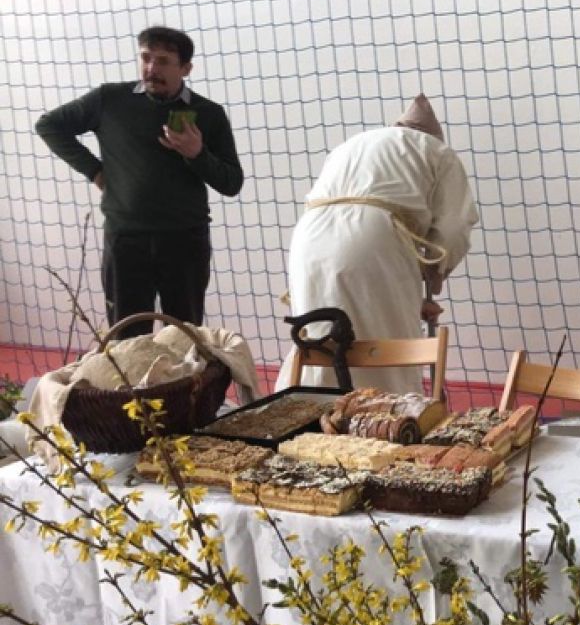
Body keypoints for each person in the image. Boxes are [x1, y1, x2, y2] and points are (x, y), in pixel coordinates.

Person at [35, 26, 244, 339]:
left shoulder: (208, 113)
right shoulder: (109, 100)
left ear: (186, 68)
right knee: (126, 341)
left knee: (184, 339)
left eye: (163, 61)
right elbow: (49, 125)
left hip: (185, 242)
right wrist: (95, 171)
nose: (151, 68)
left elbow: (232, 183)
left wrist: (197, 153)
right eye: (146, 58)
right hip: (126, 240)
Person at [280, 94, 479, 393]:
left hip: (309, 238)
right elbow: (454, 227)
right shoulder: (437, 150)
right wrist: (434, 276)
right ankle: (387, 414)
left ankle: (310, 412)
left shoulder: (352, 144)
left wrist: (413, 296)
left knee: (318, 337)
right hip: (373, 233)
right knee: (386, 340)